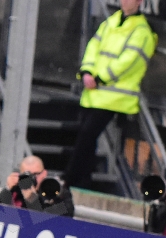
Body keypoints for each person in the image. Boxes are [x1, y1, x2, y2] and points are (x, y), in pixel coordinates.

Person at [63, 0, 156, 192]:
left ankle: (71, 177)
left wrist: (99, 77)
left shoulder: (142, 31)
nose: (125, 1)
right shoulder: (110, 22)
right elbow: (93, 47)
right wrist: (87, 71)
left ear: (139, 2)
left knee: (87, 135)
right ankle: (82, 181)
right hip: (94, 93)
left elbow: (128, 61)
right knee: (86, 137)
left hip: (115, 98)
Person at [0, 156, 74, 217]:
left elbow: (65, 215)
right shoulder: (17, 190)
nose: (32, 178)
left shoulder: (55, 189)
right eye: (27, 175)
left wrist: (31, 198)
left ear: (44, 173)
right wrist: (7, 189)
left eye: (36, 174)